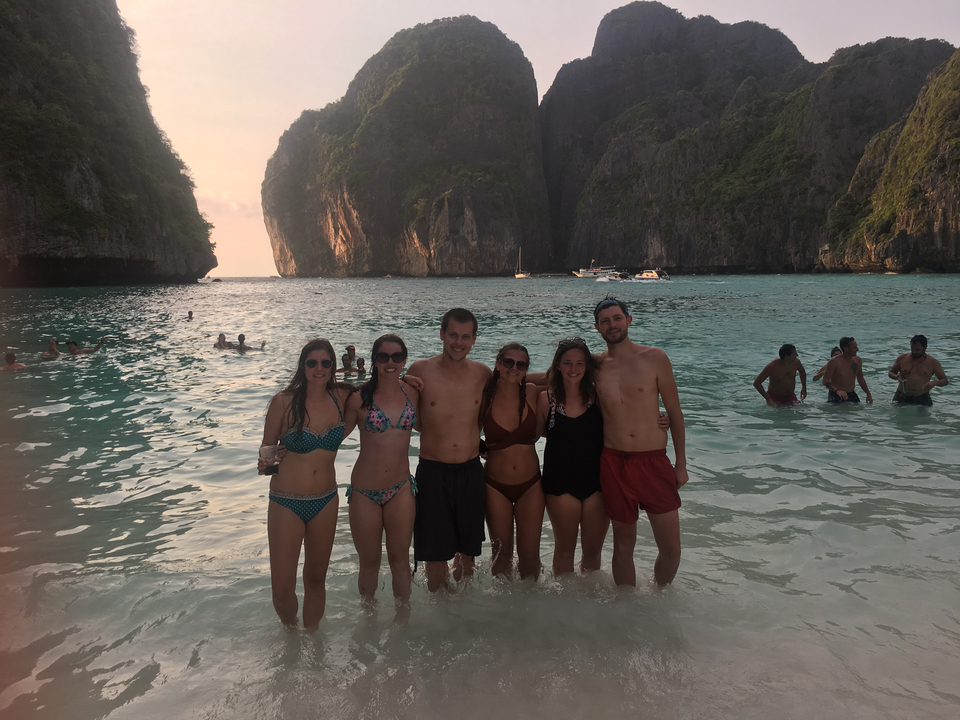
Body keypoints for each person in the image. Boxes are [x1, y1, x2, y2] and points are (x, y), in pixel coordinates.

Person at [258, 338, 354, 630]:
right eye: (312, 362)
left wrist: (410, 378)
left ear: (333, 367)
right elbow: (266, 454)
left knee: (316, 579)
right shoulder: (283, 402)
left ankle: (313, 644)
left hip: (325, 499)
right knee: (282, 589)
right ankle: (290, 636)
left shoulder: (342, 398)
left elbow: (383, 385)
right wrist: (267, 463)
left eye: (326, 363)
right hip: (286, 501)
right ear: (303, 366)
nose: (319, 368)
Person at [592, 296, 688, 587]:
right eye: (605, 321)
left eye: (617, 318)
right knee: (623, 543)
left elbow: (674, 411)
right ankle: (626, 611)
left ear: (628, 320)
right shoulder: (593, 366)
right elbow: (554, 378)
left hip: (654, 461)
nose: (612, 325)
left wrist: (680, 463)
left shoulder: (655, 358)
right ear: (597, 327)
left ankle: (660, 599)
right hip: (613, 461)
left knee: (671, 549)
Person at [407, 308, 491, 592]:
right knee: (434, 552)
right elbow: (406, 415)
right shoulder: (420, 370)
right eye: (453, 335)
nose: (459, 342)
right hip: (432, 470)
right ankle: (439, 618)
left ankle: (463, 617)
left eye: (465, 336)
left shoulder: (483, 374)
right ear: (442, 334)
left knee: (467, 552)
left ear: (474, 339)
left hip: (470, 470)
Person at [343, 335, 419, 608]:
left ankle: (403, 619)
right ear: (374, 360)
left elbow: (441, 421)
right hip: (364, 491)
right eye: (383, 357)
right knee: (370, 561)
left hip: (400, 488)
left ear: (404, 360)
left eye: (397, 356)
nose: (390, 362)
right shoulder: (359, 398)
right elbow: (332, 439)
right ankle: (368, 619)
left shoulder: (412, 393)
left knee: (400, 559)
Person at [536, 337, 608, 576]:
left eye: (579, 363)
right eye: (567, 363)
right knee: (565, 550)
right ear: (558, 365)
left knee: (593, 552)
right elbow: (534, 435)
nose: (573, 369)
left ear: (587, 366)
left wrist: (661, 420)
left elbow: (625, 421)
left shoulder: (598, 397)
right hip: (560, 483)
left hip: (597, 484)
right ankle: (563, 607)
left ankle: (589, 606)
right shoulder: (546, 399)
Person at [480, 343, 544, 580]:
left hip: (531, 485)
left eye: (521, 364)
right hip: (495, 485)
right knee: (502, 555)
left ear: (527, 368)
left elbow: (564, 377)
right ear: (497, 364)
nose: (513, 368)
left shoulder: (533, 392)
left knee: (530, 556)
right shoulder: (484, 397)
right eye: (508, 362)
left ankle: (530, 611)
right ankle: (501, 612)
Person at [887, 334, 948, 406]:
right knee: (896, 416)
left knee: (924, 417)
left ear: (925, 347)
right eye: (912, 349)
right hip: (902, 395)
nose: (914, 352)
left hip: (922, 396)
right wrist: (896, 376)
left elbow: (944, 380)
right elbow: (891, 372)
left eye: (917, 350)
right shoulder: (902, 358)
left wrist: (934, 382)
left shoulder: (933, 362)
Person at [823, 337, 873, 403]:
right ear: (846, 349)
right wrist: (837, 390)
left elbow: (860, 379)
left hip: (852, 394)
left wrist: (868, 393)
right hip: (837, 394)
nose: (857, 349)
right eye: (854, 347)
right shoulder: (834, 362)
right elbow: (825, 380)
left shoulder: (857, 360)